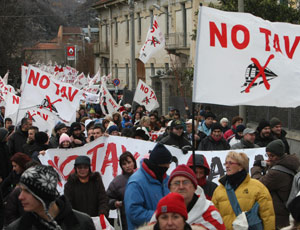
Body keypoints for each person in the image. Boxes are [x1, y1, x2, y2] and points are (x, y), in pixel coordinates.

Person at [5, 164, 96, 230]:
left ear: (43, 194)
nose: (20, 197)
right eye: (21, 190)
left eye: (27, 191)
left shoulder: (82, 222)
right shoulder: (17, 227)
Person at [212, 151, 275, 230]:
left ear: (241, 166)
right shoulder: (219, 190)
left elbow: (268, 216)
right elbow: (214, 217)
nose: (227, 166)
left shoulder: (258, 188)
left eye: (230, 163)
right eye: (226, 163)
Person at [251, 139, 300, 229]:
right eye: (268, 155)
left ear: (279, 155)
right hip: (284, 212)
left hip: (278, 215)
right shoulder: (289, 164)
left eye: (272, 156)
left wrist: (255, 168)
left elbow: (257, 184)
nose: (269, 158)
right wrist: (269, 165)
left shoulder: (276, 173)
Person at [159, 165, 225, 229]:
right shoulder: (162, 208)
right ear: (170, 188)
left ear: (194, 187)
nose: (181, 187)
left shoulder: (210, 212)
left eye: (185, 182)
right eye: (176, 183)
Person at [124, 143, 172, 230]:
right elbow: (134, 212)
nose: (168, 167)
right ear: (157, 165)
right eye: (165, 166)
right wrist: (161, 216)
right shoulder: (136, 182)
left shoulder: (166, 179)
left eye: (169, 164)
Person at [107, 151, 137, 230]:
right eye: (124, 164)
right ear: (121, 166)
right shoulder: (117, 182)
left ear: (134, 162)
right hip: (126, 221)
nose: (127, 166)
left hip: (142, 218)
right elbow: (107, 199)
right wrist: (114, 203)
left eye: (129, 162)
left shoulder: (142, 177)